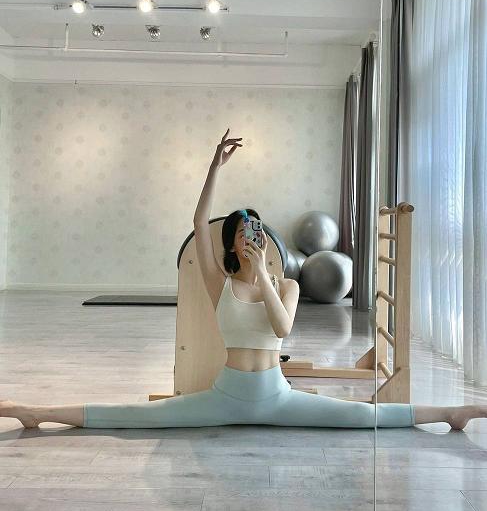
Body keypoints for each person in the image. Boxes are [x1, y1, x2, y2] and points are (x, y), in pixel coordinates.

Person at [1, 129, 485, 432]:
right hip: (225, 396)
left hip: (278, 397)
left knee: (363, 417)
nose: (253, 233)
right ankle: (35, 411)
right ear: (232, 243)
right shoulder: (220, 283)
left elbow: (281, 328)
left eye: (257, 227)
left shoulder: (288, 286)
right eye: (243, 230)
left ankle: (452, 413)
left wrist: (265, 278)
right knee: (136, 416)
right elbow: (199, 222)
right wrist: (214, 167)